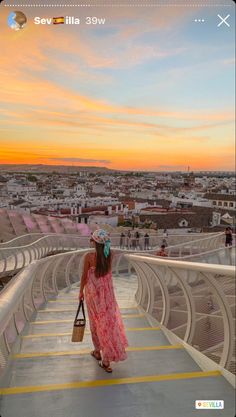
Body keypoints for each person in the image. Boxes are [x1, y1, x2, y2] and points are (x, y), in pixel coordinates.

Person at [79, 229, 128, 373]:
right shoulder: (109, 255)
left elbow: (84, 277)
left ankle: (98, 352)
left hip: (93, 295)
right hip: (107, 296)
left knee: (95, 323)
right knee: (108, 323)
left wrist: (80, 292)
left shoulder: (89, 257)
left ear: (94, 242)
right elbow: (106, 275)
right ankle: (105, 357)